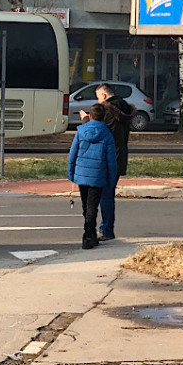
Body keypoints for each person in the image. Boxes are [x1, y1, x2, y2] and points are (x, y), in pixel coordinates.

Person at [80, 82, 132, 241]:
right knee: (107, 194)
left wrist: (86, 120)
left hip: (108, 158)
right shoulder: (123, 108)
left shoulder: (108, 110)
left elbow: (96, 133)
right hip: (119, 156)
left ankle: (107, 230)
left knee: (105, 195)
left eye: (98, 98)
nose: (99, 102)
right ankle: (107, 228)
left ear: (103, 95)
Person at [67, 103, 117, 250]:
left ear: (89, 116)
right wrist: (111, 179)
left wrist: (71, 173)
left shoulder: (81, 131)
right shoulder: (107, 134)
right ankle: (89, 235)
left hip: (82, 173)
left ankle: (90, 233)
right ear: (103, 117)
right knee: (92, 206)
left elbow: (73, 154)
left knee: (85, 206)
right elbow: (111, 160)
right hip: (98, 175)